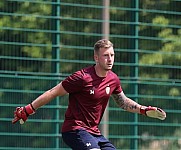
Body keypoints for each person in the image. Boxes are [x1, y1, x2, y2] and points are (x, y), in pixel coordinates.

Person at [12, 39, 166, 150]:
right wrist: (28, 109)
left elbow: (123, 102)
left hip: (94, 133)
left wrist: (143, 109)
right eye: (106, 55)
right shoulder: (81, 77)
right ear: (96, 58)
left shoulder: (113, 79)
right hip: (74, 130)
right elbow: (53, 92)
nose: (110, 59)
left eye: (112, 55)